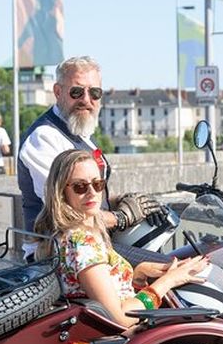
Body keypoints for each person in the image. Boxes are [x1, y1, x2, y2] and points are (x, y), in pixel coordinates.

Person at [34, 149, 210, 328]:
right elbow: (120, 316)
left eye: (98, 184)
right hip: (119, 332)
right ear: (61, 193)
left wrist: (139, 272)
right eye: (80, 186)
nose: (92, 193)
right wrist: (170, 280)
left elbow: (94, 289)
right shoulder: (82, 243)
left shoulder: (69, 234)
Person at [18, 56, 161, 259]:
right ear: (58, 92)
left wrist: (122, 199)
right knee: (171, 270)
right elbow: (65, 211)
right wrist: (121, 217)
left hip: (90, 244)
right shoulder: (44, 138)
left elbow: (85, 193)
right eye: (77, 91)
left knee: (181, 263)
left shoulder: (81, 133)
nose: (86, 100)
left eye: (95, 93)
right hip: (58, 253)